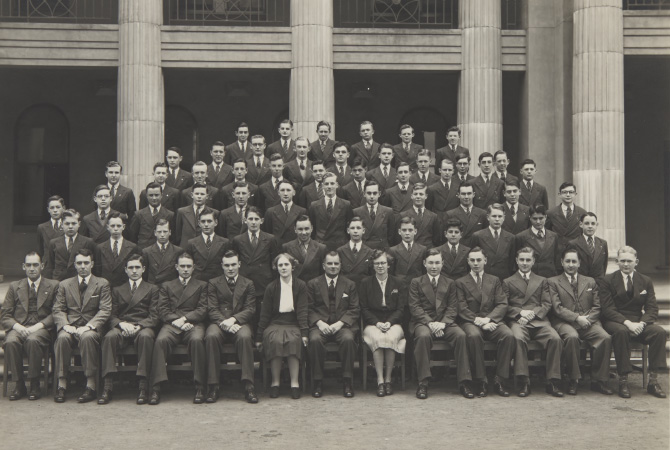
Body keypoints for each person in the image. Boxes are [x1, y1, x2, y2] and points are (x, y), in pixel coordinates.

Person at [601, 246, 667, 398]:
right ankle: (623, 381)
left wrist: (641, 323)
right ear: (617, 262)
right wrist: (627, 323)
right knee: (622, 332)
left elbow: (652, 309)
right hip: (615, 320)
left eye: (629, 261)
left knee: (659, 332)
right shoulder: (608, 280)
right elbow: (607, 309)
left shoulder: (645, 280)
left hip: (638, 322)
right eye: (622, 261)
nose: (626, 264)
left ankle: (653, 381)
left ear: (636, 262)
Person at [548, 248, 613, 396]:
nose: (571, 264)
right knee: (571, 337)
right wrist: (577, 318)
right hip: (564, 322)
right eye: (568, 261)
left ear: (579, 263)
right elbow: (557, 308)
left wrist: (588, 320)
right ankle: (573, 379)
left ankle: (599, 380)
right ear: (562, 263)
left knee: (604, 338)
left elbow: (597, 306)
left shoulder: (590, 281)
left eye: (574, 261)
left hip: (589, 322)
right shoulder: (553, 282)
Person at [411, 249, 473, 400]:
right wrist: (431, 323)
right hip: (424, 323)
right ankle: (423, 382)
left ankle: (464, 381)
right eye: (431, 263)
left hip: (445, 322)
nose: (434, 266)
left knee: (460, 335)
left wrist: (443, 324)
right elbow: (415, 307)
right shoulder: (416, 282)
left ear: (442, 264)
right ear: (424, 263)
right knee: (423, 337)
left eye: (437, 263)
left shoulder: (450, 283)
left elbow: (453, 307)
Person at [503, 247, 564, 397]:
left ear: (533, 261)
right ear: (516, 261)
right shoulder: (507, 281)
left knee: (555, 339)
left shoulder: (542, 280)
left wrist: (532, 314)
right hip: (518, 321)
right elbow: (504, 305)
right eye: (522, 260)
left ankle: (552, 381)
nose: (524, 263)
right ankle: (524, 380)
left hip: (539, 321)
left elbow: (546, 304)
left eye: (528, 260)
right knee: (518, 338)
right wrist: (520, 313)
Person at [98, 255, 160, 405]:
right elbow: (111, 315)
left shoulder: (152, 289)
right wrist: (121, 324)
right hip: (123, 326)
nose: (134, 271)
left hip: (142, 326)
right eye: (130, 268)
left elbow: (155, 315)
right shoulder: (118, 290)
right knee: (109, 337)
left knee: (146, 337)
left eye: (137, 267)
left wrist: (138, 326)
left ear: (143, 269)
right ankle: (108, 386)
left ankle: (143, 386)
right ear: (125, 270)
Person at [53, 249, 112, 403]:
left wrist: (90, 325)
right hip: (71, 326)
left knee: (87, 338)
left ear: (92, 264)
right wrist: (66, 325)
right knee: (62, 338)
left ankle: (90, 385)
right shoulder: (65, 285)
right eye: (79, 263)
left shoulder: (102, 283)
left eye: (86, 263)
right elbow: (58, 309)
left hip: (91, 328)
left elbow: (105, 310)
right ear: (74, 265)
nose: (83, 266)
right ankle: (62, 384)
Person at [149, 252, 208, 405]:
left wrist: (185, 319)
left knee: (196, 340)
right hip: (172, 323)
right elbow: (162, 309)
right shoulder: (167, 286)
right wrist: (177, 321)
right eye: (182, 266)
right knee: (160, 341)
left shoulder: (202, 285)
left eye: (189, 266)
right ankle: (156, 387)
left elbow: (202, 309)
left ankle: (199, 385)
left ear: (193, 268)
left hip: (192, 323)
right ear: (176, 267)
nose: (186, 269)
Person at [456, 247, 514, 397]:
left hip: (491, 319)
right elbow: (461, 308)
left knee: (507, 335)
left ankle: (499, 379)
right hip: (471, 321)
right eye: (473, 260)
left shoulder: (494, 280)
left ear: (485, 261)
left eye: (479, 260)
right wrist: (479, 321)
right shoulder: (460, 282)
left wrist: (489, 319)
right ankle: (481, 380)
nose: (476, 263)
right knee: (474, 336)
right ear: (468, 261)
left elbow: (502, 304)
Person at [1, 252, 58, 400]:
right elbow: (5, 315)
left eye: (35, 265)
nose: (32, 268)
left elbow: (56, 313)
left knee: (33, 341)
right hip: (20, 327)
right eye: (28, 265)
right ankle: (19, 385)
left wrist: (37, 327)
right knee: (11, 341)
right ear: (23, 267)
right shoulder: (15, 286)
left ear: (42, 266)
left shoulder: (53, 285)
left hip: (41, 328)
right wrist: (18, 327)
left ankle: (34, 384)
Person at [204, 250, 258, 404]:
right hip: (219, 323)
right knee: (211, 336)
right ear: (222, 266)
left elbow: (250, 309)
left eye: (233, 264)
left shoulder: (248, 283)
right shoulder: (213, 283)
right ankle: (213, 385)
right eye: (227, 265)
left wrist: (233, 320)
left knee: (245, 337)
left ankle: (249, 385)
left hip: (239, 322)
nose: (230, 268)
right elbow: (212, 309)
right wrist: (225, 322)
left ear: (239, 264)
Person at [255, 253, 309, 399]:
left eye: (286, 265)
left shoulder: (301, 286)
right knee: (276, 340)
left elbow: (303, 310)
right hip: (275, 323)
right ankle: (275, 383)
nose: (283, 268)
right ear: (276, 268)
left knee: (293, 341)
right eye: (280, 265)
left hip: (293, 323)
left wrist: (304, 333)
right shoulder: (271, 287)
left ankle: (294, 383)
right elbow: (265, 314)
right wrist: (259, 336)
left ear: (293, 267)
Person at [307, 252, 360, 398]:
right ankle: (317, 381)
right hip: (320, 325)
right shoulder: (313, 284)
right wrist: (319, 323)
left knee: (349, 340)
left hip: (342, 326)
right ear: (323, 265)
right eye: (329, 263)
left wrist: (340, 324)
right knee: (315, 340)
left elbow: (355, 309)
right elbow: (308, 308)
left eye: (336, 263)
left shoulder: (349, 284)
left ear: (340, 265)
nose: (333, 266)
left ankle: (347, 381)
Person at [359, 250, 406, 396]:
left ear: (388, 265)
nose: (380, 266)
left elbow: (400, 308)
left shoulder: (398, 282)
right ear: (373, 265)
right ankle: (380, 381)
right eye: (377, 263)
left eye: (383, 263)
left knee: (391, 338)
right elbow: (364, 308)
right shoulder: (366, 283)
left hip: (393, 322)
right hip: (373, 323)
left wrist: (390, 322)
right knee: (378, 338)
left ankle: (388, 380)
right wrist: (377, 323)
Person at [231, 207, 280, 311]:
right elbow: (235, 262)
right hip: (245, 280)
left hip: (263, 282)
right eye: (250, 219)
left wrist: (273, 283)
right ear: (245, 220)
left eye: (256, 219)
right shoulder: (238, 240)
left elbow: (274, 264)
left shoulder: (270, 239)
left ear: (261, 221)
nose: (253, 222)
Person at [44, 209, 97, 281]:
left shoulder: (88, 242)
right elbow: (50, 266)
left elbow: (94, 266)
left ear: (79, 224)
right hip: (59, 281)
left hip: (80, 281)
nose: (70, 226)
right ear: (62, 225)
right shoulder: (54, 243)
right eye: (67, 223)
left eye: (73, 223)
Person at [308, 171, 353, 251]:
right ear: (322, 186)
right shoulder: (314, 205)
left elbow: (348, 228)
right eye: (326, 184)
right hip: (320, 245)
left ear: (336, 185)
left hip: (340, 245)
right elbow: (313, 228)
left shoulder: (346, 205)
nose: (329, 186)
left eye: (332, 183)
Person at [94, 212, 141, 287]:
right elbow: (98, 271)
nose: (115, 229)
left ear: (123, 227)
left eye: (118, 226)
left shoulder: (132, 247)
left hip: (125, 289)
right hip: (106, 288)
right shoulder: (100, 248)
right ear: (107, 227)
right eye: (112, 226)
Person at [471, 204, 515, 280]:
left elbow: (511, 263)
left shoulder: (511, 237)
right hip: (484, 278)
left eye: (500, 216)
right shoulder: (478, 236)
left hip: (503, 278)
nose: (497, 219)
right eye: (494, 216)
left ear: (504, 218)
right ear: (488, 217)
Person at [514, 204, 561, 278]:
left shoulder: (553, 236)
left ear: (545, 217)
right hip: (531, 278)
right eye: (535, 219)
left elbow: (556, 260)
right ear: (530, 218)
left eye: (541, 218)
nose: (538, 222)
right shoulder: (521, 237)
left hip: (550, 276)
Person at [185, 208, 230, 281]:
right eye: (203, 221)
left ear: (216, 222)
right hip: (198, 281)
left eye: (209, 221)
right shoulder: (191, 243)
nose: (206, 224)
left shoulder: (224, 242)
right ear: (199, 223)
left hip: (218, 282)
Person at [129, 182, 175, 249]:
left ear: (162, 195)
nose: (154, 198)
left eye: (156, 195)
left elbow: (173, 238)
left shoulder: (170, 215)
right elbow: (133, 238)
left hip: (162, 252)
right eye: (151, 195)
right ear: (146, 196)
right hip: (143, 252)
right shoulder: (138, 215)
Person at [282, 215, 328, 282]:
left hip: (314, 287)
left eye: (306, 229)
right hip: (295, 286)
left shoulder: (321, 248)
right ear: (295, 229)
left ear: (311, 228)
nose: (304, 233)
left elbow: (323, 273)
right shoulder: (287, 247)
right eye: (300, 229)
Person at [547, 182, 587, 255]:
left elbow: (584, 235)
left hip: (576, 252)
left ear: (575, 194)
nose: (568, 195)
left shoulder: (582, 213)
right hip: (557, 252)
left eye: (571, 192)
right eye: (564, 192)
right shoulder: (551, 213)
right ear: (559, 195)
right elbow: (547, 235)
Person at [353, 180, 395, 250]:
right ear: (364, 194)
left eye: (375, 193)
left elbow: (391, 236)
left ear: (379, 194)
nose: (372, 196)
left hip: (382, 250)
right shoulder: (356, 212)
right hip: (364, 250)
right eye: (369, 193)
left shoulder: (388, 211)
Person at [174, 182, 219, 246]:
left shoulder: (214, 212)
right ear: (192, 195)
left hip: (204, 249)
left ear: (207, 196)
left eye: (202, 194)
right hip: (186, 249)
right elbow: (178, 235)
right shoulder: (182, 212)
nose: (199, 196)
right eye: (197, 194)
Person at [262, 180, 307, 245]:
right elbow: (267, 234)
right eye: (282, 190)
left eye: (288, 190)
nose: (285, 193)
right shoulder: (270, 212)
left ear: (294, 192)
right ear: (278, 192)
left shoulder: (302, 211)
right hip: (277, 248)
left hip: (295, 248)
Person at [444, 182, 487, 248]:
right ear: (458, 195)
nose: (466, 197)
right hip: (459, 252)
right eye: (463, 194)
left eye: (469, 193)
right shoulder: (450, 214)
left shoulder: (482, 214)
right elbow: (445, 239)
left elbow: (485, 237)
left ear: (473, 194)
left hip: (476, 252)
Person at [400, 182, 442, 248]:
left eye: (421, 194)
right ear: (411, 196)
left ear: (426, 196)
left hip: (428, 252)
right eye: (415, 194)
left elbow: (437, 240)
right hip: (411, 251)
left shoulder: (433, 216)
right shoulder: (403, 215)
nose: (418, 196)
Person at [141, 219, 183, 285]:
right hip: (153, 289)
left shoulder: (178, 251)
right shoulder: (147, 252)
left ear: (170, 232)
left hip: (171, 289)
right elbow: (145, 275)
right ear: (155, 233)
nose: (162, 235)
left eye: (165, 231)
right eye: (159, 232)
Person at [387, 216, 426, 285]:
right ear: (399, 231)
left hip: (417, 286)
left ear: (415, 231)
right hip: (400, 286)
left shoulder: (422, 249)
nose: (407, 233)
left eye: (410, 230)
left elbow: (424, 272)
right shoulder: (393, 250)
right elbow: (390, 274)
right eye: (404, 230)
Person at [569, 212, 609, 280]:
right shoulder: (573, 244)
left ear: (597, 225)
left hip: (599, 284)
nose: (590, 226)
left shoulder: (603, 243)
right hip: (581, 282)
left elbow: (604, 265)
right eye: (587, 223)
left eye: (593, 224)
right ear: (581, 224)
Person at [336, 216, 374, 284]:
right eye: (352, 228)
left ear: (363, 231)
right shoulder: (340, 251)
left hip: (363, 288)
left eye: (358, 228)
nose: (355, 231)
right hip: (345, 288)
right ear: (348, 230)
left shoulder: (370, 252)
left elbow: (371, 276)